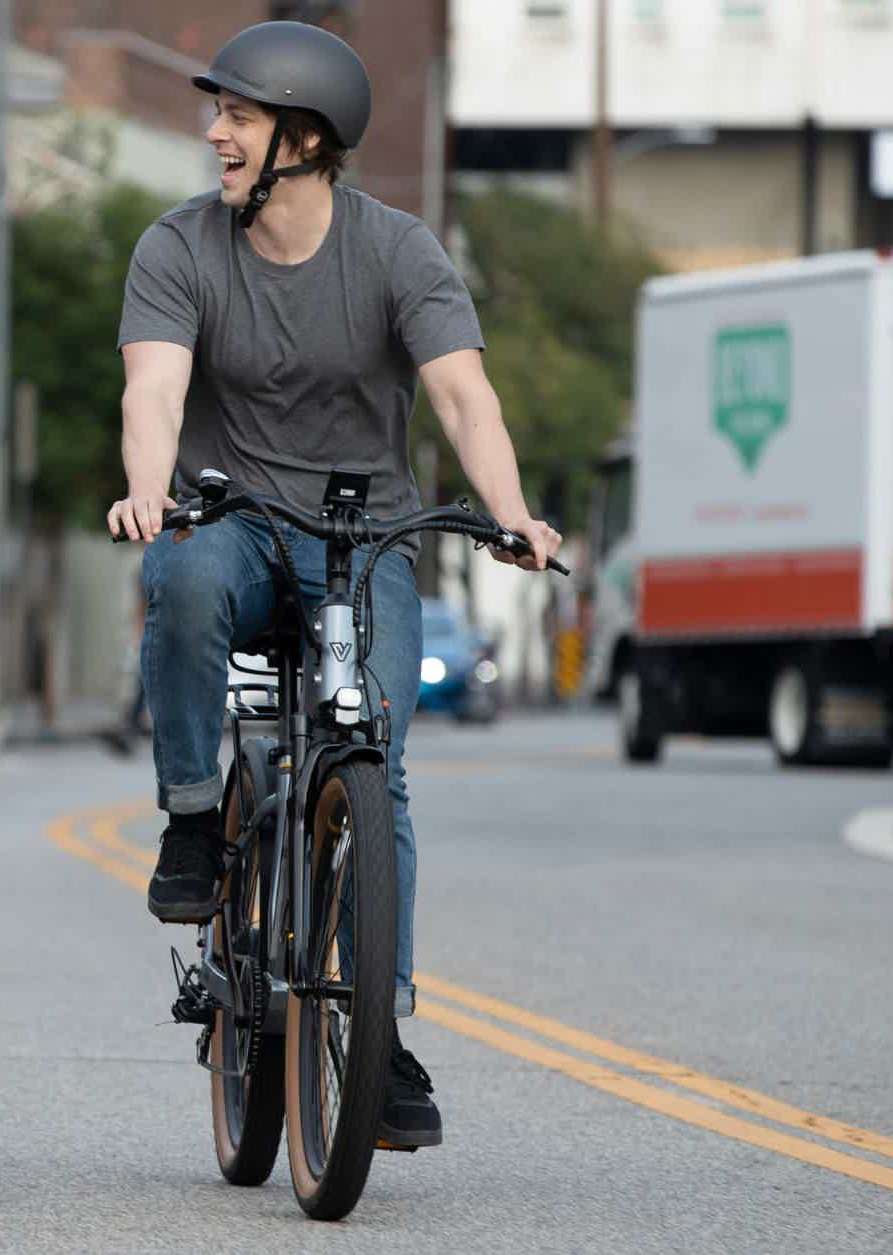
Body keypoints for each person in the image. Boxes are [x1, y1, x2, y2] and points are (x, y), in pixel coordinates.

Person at [106, 22, 561, 1152]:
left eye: (240, 117)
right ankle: (194, 819)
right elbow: (152, 393)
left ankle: (379, 1023)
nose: (215, 132)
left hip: (365, 536)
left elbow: (462, 399)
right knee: (184, 573)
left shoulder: (399, 251)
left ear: (303, 141)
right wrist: (149, 491)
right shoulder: (177, 246)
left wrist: (508, 512)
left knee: (378, 765)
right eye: (217, 114)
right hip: (231, 518)